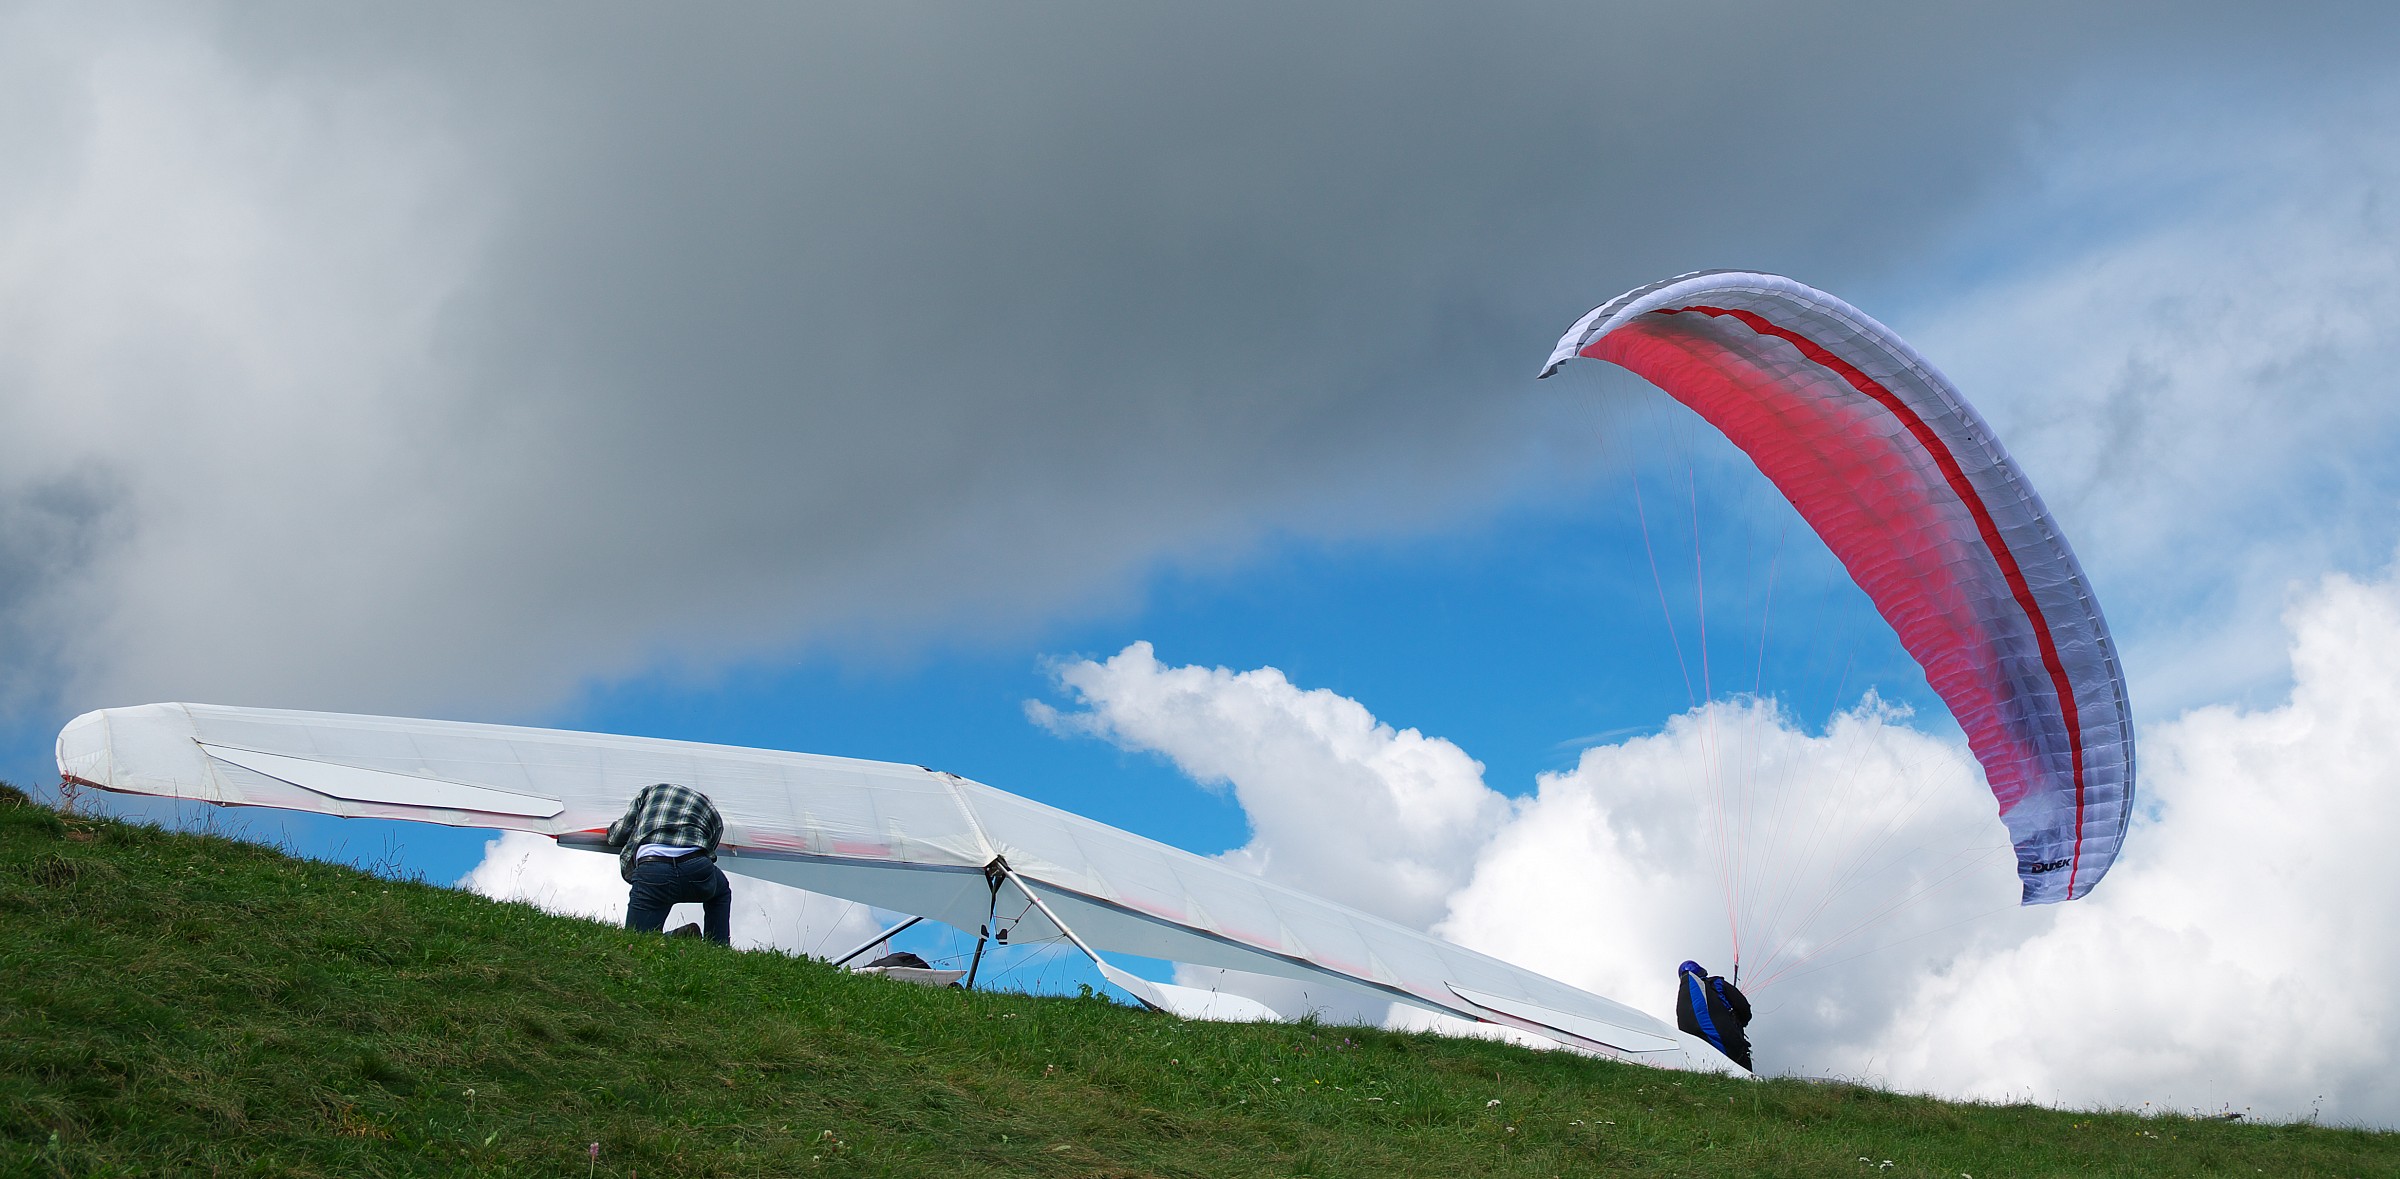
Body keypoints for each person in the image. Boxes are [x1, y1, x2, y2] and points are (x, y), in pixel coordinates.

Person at [605, 782, 732, 945]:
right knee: (721, 891)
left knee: (635, 943)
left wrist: (610, 831)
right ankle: (718, 947)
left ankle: (672, 936)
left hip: (652, 873)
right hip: (695, 867)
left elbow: (619, 834)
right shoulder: (711, 811)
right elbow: (709, 852)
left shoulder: (652, 792)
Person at [1674, 960, 1753, 1071]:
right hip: (1731, 1047)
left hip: (1701, 1057)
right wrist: (1742, 1021)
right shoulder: (1716, 984)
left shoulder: (1682, 1001)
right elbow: (1743, 1006)